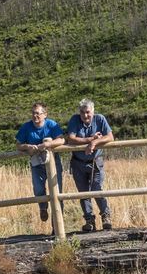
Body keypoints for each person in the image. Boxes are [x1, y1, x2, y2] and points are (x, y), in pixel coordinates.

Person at [64, 98, 114, 232]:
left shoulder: (100, 119)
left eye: (87, 112)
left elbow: (110, 137)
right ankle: (89, 220)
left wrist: (94, 144)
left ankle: (106, 217)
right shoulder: (75, 120)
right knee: (83, 192)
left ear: (93, 111)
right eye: (82, 112)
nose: (85, 115)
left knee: (97, 188)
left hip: (95, 161)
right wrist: (91, 139)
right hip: (78, 163)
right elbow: (71, 138)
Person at [16, 102, 64, 225]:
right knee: (38, 189)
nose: (35, 116)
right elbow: (18, 145)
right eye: (33, 113)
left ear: (45, 114)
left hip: (53, 162)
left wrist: (48, 144)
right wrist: (27, 146)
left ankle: (57, 225)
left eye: (38, 113)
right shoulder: (26, 127)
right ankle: (43, 208)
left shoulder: (51, 125)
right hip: (36, 163)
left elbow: (62, 139)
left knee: (57, 192)